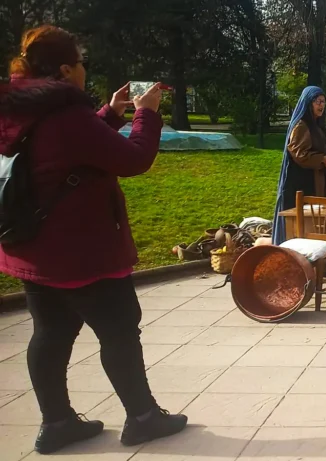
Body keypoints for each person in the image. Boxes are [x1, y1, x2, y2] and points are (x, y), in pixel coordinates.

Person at [0, 25, 186, 454]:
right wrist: (147, 113)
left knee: (50, 331)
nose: (85, 69)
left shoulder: (20, 107)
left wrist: (110, 113)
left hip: (32, 244)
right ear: (66, 68)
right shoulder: (67, 115)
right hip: (82, 250)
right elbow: (133, 159)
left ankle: (57, 422)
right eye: (81, 62)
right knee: (120, 330)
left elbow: (58, 149)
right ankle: (143, 418)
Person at [272, 86, 326, 244]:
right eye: (317, 101)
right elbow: (299, 153)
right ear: (308, 103)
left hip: (315, 178)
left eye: (323, 102)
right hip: (302, 181)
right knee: (303, 225)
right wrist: (322, 159)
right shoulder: (301, 125)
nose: (321, 105)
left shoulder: (316, 125)